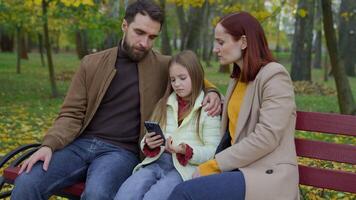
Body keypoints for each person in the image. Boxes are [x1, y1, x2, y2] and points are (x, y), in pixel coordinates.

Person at [11, 1, 221, 200]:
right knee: (27, 182)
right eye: (139, 33)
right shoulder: (92, 63)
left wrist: (213, 93)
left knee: (98, 194)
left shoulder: (162, 66)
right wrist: (49, 145)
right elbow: (71, 113)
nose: (144, 43)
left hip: (120, 152)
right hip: (79, 145)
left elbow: (193, 76)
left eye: (151, 37)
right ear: (124, 25)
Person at [168, 12, 299, 200]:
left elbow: (267, 137)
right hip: (239, 169)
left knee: (185, 192)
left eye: (221, 42)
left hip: (266, 174)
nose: (215, 49)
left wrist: (214, 165)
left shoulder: (274, 76)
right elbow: (241, 111)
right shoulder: (238, 79)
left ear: (243, 42)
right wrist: (214, 94)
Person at [114, 50, 221, 200]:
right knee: (125, 195)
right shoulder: (165, 103)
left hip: (183, 170)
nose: (177, 84)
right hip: (156, 162)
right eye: (173, 80)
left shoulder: (208, 108)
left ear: (196, 75)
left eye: (182, 78)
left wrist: (186, 150)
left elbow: (213, 151)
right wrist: (149, 143)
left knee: (153, 197)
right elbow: (149, 137)